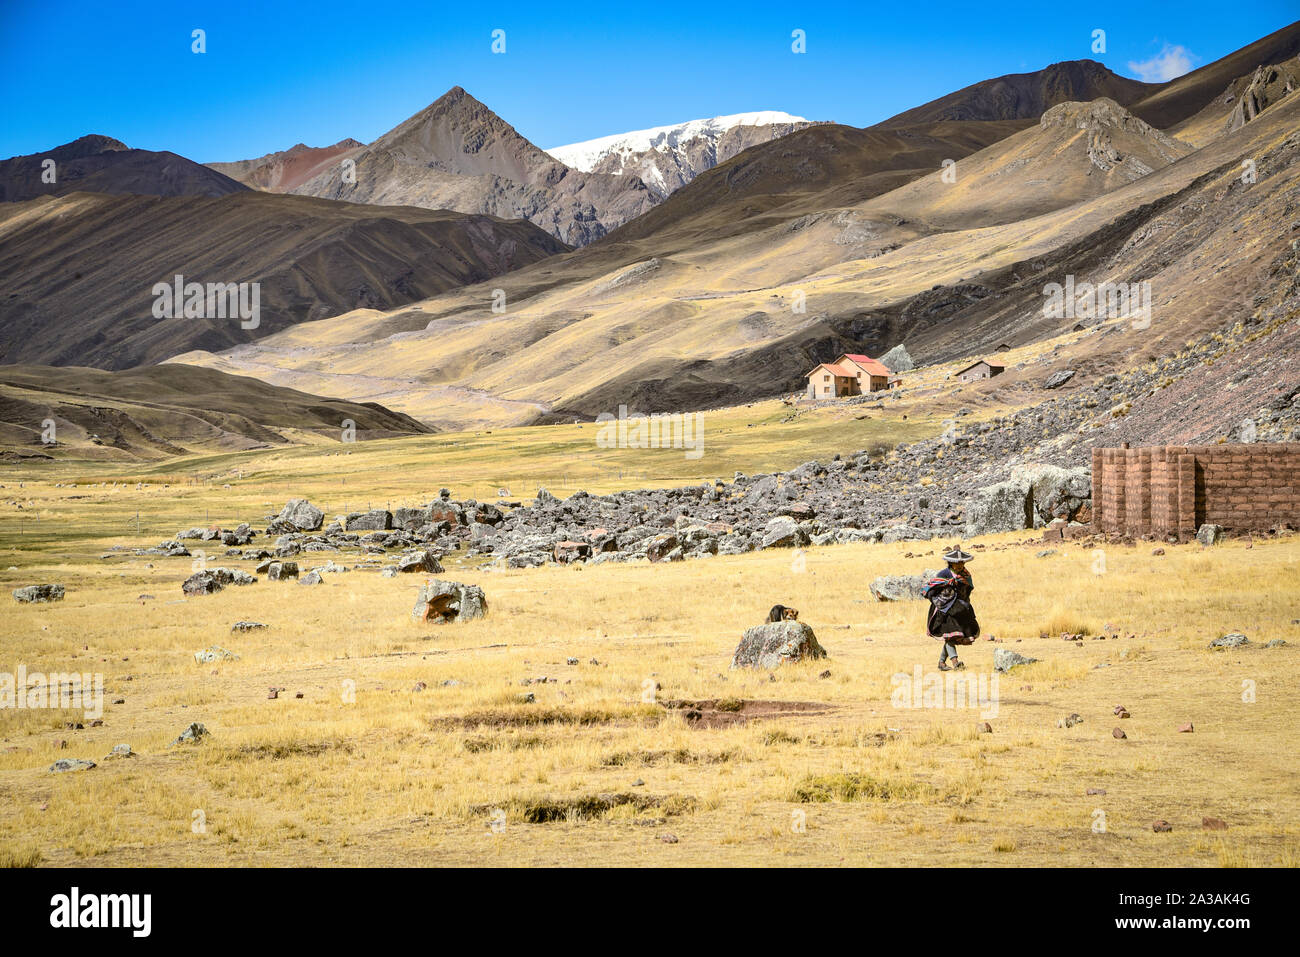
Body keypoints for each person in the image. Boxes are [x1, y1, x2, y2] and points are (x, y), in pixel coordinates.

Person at [922, 546, 980, 671]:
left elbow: (967, 591)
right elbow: (932, 590)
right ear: (950, 563)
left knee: (952, 636)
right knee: (950, 635)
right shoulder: (943, 574)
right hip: (943, 610)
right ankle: (955, 662)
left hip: (959, 610)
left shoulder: (965, 575)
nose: (959, 565)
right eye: (956, 563)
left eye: (961, 562)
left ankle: (942, 663)